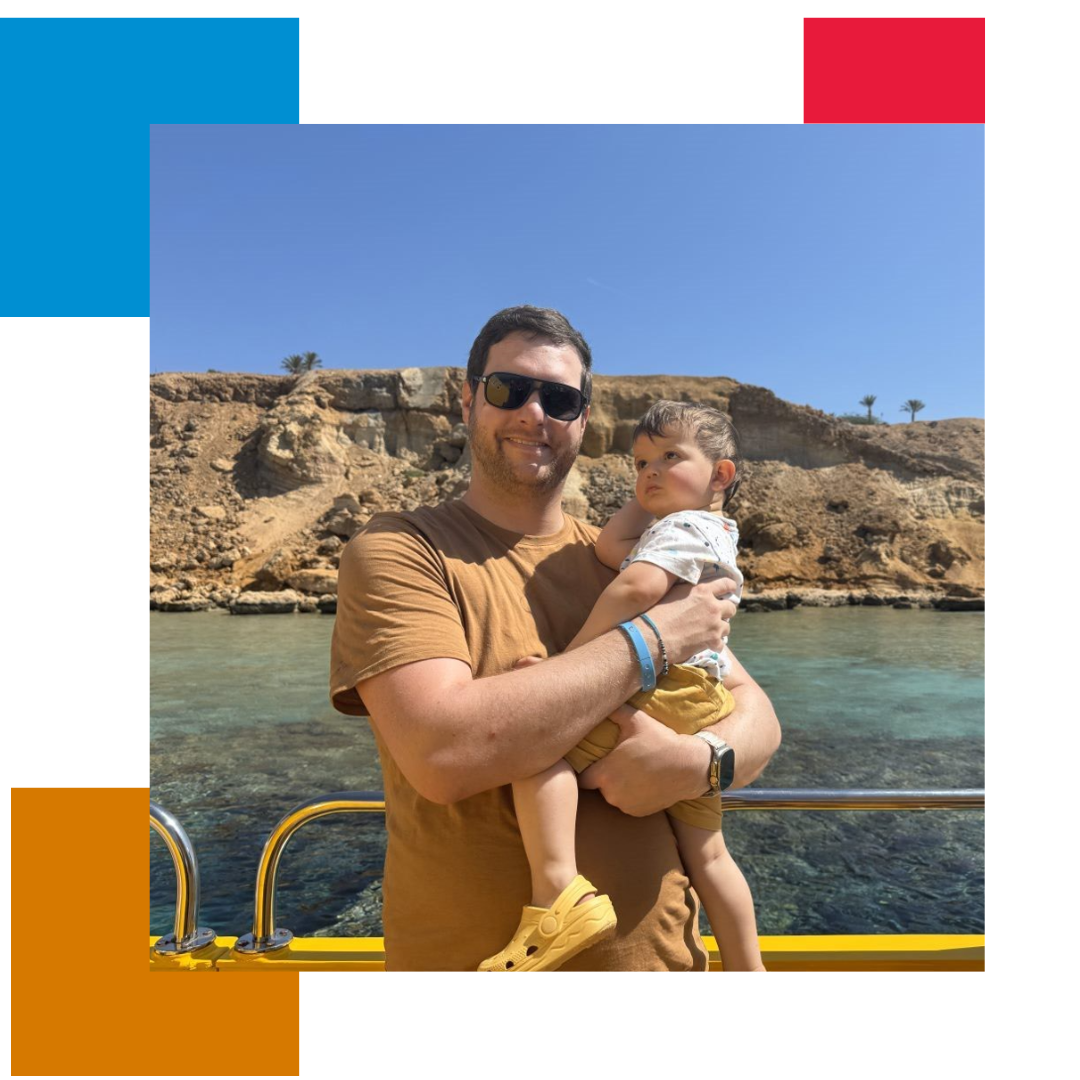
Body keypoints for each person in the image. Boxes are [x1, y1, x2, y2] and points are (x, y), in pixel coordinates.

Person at [330, 305, 781, 971]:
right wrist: (647, 644)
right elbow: (441, 751)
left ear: (583, 420)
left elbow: (756, 715)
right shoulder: (401, 550)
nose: (534, 414)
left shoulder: (625, 559)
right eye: (510, 389)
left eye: (560, 399)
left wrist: (699, 765)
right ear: (467, 400)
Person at [478, 399, 765, 972]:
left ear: (722, 474)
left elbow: (633, 587)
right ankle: (747, 967)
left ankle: (558, 897)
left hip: (663, 689)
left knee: (534, 750)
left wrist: (573, 662)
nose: (650, 472)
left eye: (669, 457)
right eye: (639, 464)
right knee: (708, 854)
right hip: (699, 701)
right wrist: (646, 499)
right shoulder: (708, 532)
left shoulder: (684, 529)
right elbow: (613, 549)